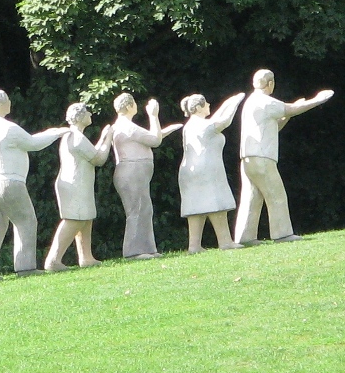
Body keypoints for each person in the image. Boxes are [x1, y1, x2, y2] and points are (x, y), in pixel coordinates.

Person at [0, 89, 70, 281]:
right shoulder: (8, 128)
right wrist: (57, 134)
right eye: (7, 100)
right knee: (26, 220)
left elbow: (29, 140)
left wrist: (49, 133)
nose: (10, 103)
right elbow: (33, 143)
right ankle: (26, 267)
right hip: (9, 182)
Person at [233, 70, 334, 244]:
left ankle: (245, 237)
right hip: (262, 156)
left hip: (248, 158)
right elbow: (291, 109)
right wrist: (318, 100)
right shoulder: (265, 101)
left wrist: (288, 113)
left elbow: (276, 125)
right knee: (276, 195)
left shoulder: (251, 101)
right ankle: (283, 234)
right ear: (270, 83)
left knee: (251, 198)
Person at [111, 93, 182, 259]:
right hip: (132, 172)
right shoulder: (127, 126)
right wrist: (154, 115)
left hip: (137, 173)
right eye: (134, 103)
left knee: (144, 210)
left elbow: (149, 138)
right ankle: (133, 252)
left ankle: (148, 249)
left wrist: (165, 131)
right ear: (129, 106)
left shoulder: (126, 126)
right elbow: (155, 141)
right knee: (135, 211)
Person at [44, 103, 112, 271]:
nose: (90, 114)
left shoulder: (75, 136)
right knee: (74, 220)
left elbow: (92, 154)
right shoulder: (77, 138)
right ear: (80, 116)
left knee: (86, 218)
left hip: (78, 183)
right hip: (75, 184)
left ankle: (86, 257)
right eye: (88, 111)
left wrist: (103, 138)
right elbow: (99, 159)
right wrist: (109, 138)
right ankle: (53, 260)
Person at [178, 92, 245, 253]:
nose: (209, 105)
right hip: (206, 169)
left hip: (190, 170)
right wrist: (235, 102)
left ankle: (194, 245)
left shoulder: (192, 125)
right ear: (199, 107)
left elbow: (216, 118)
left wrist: (228, 102)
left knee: (195, 206)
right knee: (216, 203)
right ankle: (225, 241)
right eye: (206, 103)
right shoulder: (204, 125)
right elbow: (225, 121)